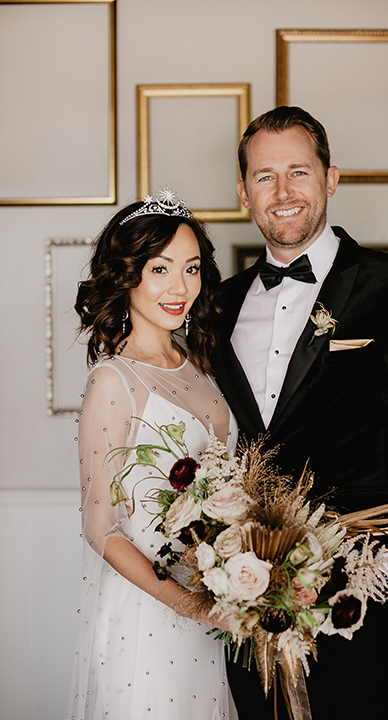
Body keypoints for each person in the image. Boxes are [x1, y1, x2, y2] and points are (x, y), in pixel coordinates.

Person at [214, 106, 388, 719]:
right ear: (243, 191)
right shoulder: (217, 306)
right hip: (247, 598)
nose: (283, 191)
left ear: (331, 179)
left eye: (299, 171)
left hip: (354, 598)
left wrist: (383, 571)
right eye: (265, 175)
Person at [66, 189, 238, 720]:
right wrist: (191, 604)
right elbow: (102, 528)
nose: (180, 287)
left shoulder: (200, 361)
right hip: (151, 613)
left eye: (191, 269)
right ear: (127, 275)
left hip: (215, 607)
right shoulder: (113, 381)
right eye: (160, 269)